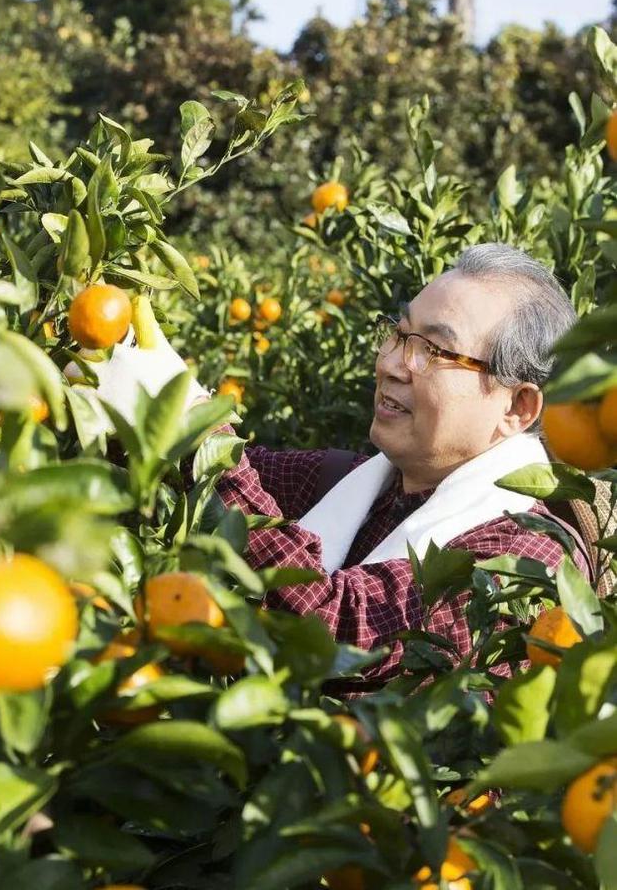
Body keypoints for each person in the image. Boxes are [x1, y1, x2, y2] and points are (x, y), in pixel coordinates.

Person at [207, 243, 587, 688]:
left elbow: (341, 633)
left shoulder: (526, 559)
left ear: (517, 407)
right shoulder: (354, 484)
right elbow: (217, 473)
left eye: (433, 350)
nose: (391, 364)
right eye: (400, 335)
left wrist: (203, 440)